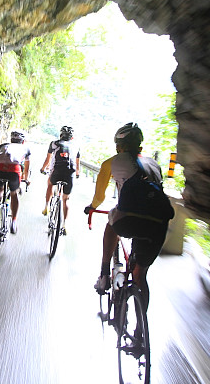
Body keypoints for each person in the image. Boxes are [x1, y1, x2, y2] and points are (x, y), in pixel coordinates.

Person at [84, 122, 170, 308]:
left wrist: (92, 207)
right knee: (140, 275)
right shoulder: (154, 164)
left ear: (118, 146)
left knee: (111, 223)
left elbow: (100, 196)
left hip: (130, 220)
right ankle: (141, 331)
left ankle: (104, 275)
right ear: (140, 145)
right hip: (159, 224)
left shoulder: (112, 162)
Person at [0, 129, 31, 232]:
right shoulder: (26, 148)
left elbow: (0, 158)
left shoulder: (3, 145)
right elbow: (26, 167)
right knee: (13, 193)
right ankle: (14, 221)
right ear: (23, 141)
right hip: (14, 171)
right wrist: (26, 179)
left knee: (0, 188)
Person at [40, 125, 80, 235]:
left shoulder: (54, 143)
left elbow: (48, 159)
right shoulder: (76, 146)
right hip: (70, 174)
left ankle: (47, 207)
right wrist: (77, 173)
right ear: (72, 137)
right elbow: (77, 163)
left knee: (50, 184)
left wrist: (43, 169)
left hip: (57, 171)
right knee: (66, 199)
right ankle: (64, 225)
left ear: (60, 135)